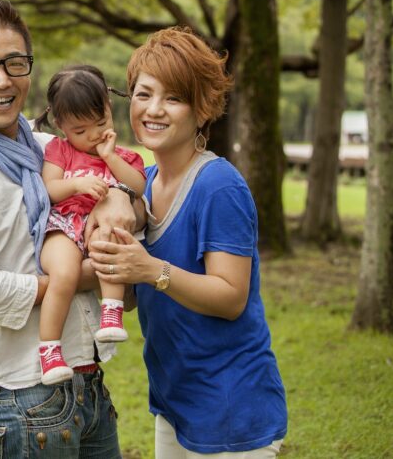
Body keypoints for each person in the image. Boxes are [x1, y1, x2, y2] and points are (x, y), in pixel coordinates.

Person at [0, 0, 142, 458]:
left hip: (87, 384)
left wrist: (118, 197)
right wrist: (77, 277)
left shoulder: (48, 149)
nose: (2, 79)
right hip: (20, 399)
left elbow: (118, 187)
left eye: (15, 63)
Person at [88, 27, 287, 458]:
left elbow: (231, 297)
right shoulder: (147, 184)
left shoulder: (218, 185)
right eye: (143, 94)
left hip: (232, 410)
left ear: (202, 110)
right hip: (175, 404)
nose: (153, 109)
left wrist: (147, 270)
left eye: (173, 98)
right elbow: (136, 298)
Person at [32, 66, 147, 385]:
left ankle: (111, 309)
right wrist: (77, 185)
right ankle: (50, 350)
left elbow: (138, 186)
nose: (94, 135)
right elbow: (49, 190)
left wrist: (110, 158)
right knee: (65, 274)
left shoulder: (124, 156)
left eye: (101, 123)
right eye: (81, 130)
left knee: (108, 242)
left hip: (98, 227)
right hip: (64, 226)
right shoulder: (59, 149)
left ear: (110, 110)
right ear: (61, 125)